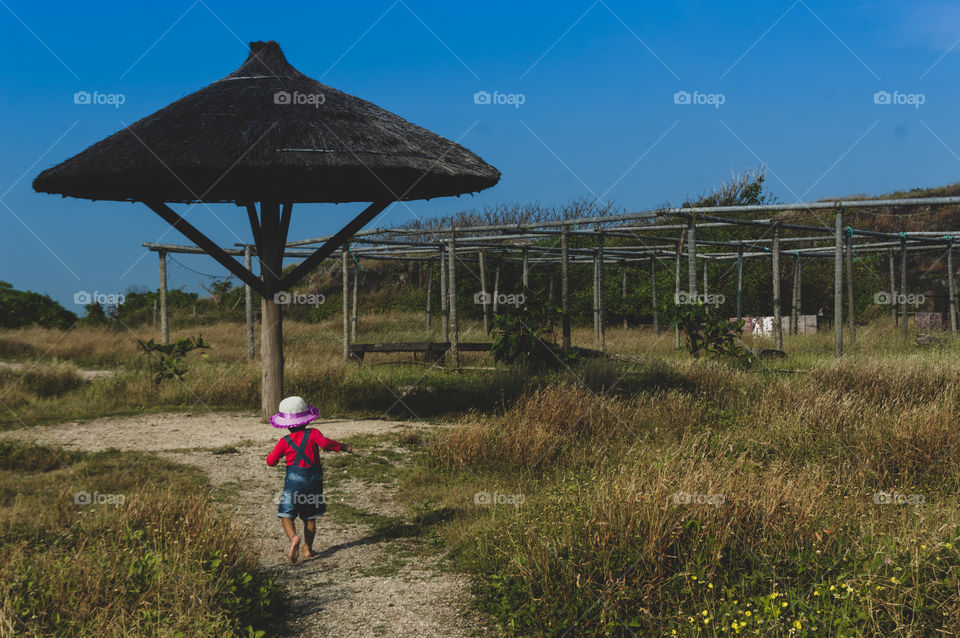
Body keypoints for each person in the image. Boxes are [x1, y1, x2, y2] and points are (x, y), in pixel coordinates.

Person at [266, 396, 352, 563]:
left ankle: (293, 537)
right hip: (313, 481)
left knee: (286, 513)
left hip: (293, 482)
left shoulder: (284, 441)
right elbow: (326, 444)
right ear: (306, 419)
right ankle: (308, 549)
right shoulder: (313, 434)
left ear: (286, 424)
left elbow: (271, 461)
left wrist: (276, 460)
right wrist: (342, 446)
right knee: (310, 518)